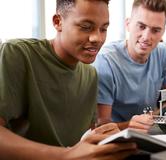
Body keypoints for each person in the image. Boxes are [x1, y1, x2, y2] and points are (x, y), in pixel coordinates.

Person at [0, 0, 137, 159]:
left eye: (103, 29)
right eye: (86, 27)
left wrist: (103, 137)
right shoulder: (17, 54)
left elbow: (84, 139)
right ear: (58, 22)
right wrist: (66, 155)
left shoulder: (90, 74)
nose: (97, 38)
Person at [92, 0, 166, 133]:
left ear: (163, 32)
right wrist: (131, 125)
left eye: (155, 30)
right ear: (128, 24)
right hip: (116, 139)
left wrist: (149, 119)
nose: (146, 37)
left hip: (150, 132)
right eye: (141, 26)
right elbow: (102, 127)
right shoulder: (106, 61)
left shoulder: (162, 53)